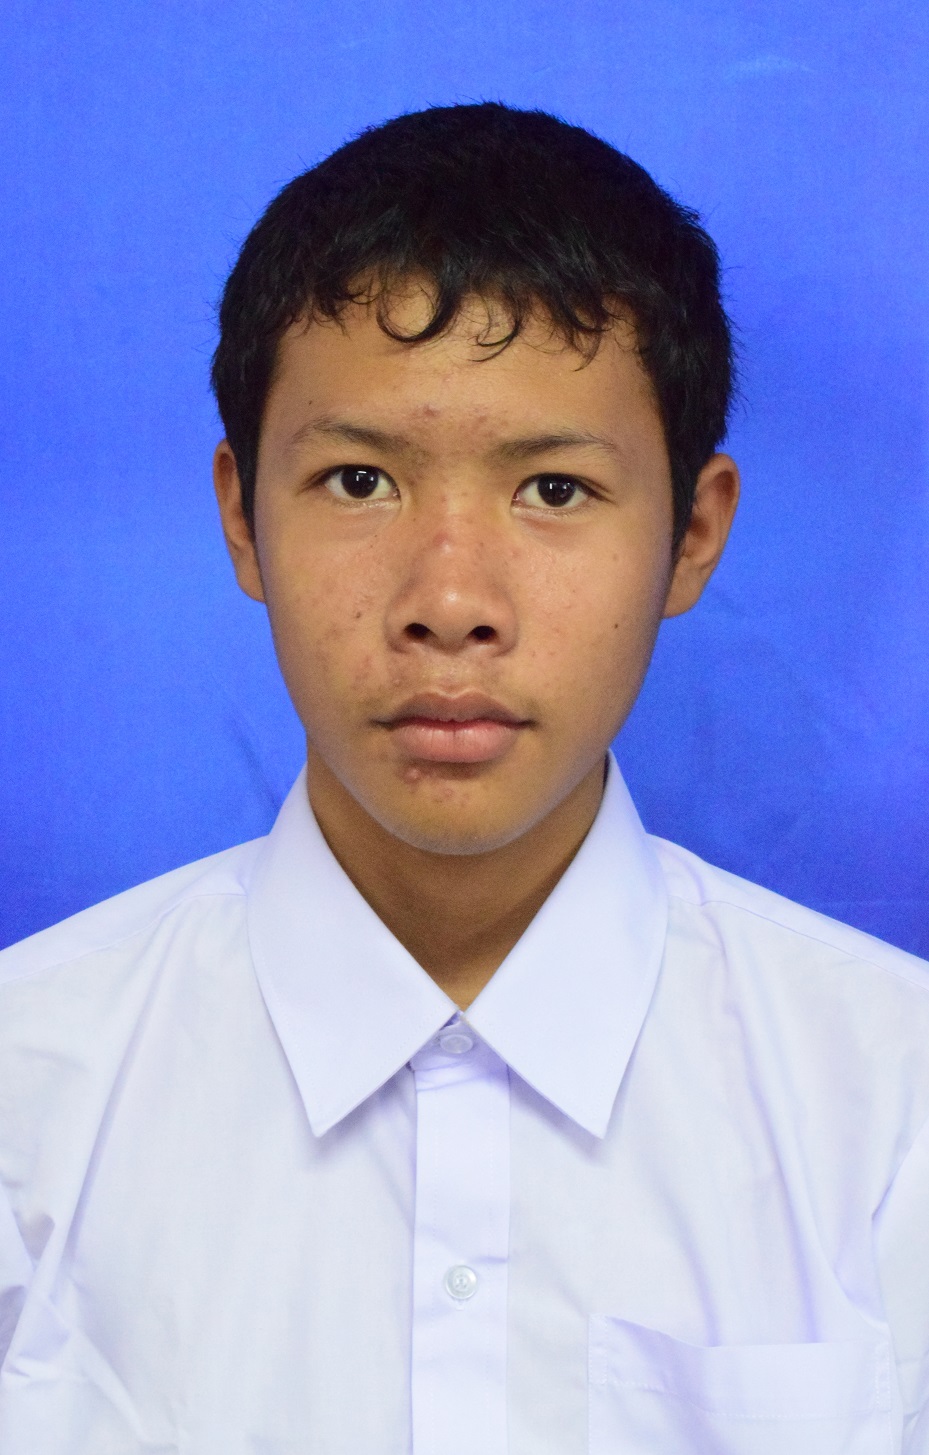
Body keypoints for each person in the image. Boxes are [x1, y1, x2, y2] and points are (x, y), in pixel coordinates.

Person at [0, 101, 927, 1455]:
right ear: (240, 516)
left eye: (552, 490)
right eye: (357, 480)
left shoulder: (894, 1111)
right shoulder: (27, 1096)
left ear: (692, 533)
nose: (448, 603)